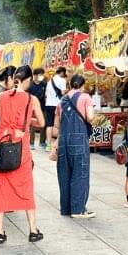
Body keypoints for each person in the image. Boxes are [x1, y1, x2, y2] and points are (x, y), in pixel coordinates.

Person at [0, 65, 44, 243]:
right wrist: (26, 122)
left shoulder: (0, 96)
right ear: (29, 80)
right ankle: (33, 230)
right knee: (25, 188)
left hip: (1, 147)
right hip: (21, 150)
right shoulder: (32, 100)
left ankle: (0, 233)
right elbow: (41, 122)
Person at [51, 72, 95, 218]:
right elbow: (90, 117)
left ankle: (66, 209)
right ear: (82, 85)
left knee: (64, 174)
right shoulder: (85, 97)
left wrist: (54, 145)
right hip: (79, 140)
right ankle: (78, 209)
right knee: (79, 174)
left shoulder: (61, 101)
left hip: (63, 140)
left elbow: (56, 126)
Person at [44, 66, 67, 151]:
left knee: (49, 124)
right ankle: (58, 144)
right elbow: (63, 93)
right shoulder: (62, 80)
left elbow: (46, 94)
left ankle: (48, 145)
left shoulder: (49, 81)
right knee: (59, 125)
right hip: (58, 105)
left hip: (48, 104)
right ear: (62, 73)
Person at [27, 68, 48, 150]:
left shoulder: (44, 84)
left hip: (43, 106)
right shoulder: (30, 84)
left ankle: (42, 142)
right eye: (39, 74)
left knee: (44, 123)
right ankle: (31, 143)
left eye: (42, 75)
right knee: (33, 125)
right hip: (32, 107)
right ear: (35, 75)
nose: (41, 76)